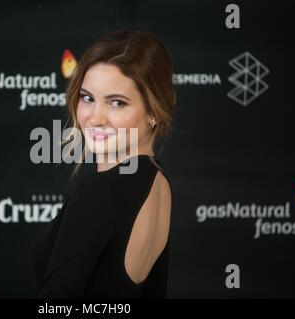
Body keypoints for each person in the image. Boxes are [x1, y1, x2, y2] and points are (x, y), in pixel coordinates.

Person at [30, 29, 176, 299]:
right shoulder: (159, 181)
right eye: (87, 98)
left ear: (153, 111)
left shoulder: (99, 190)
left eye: (117, 103)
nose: (95, 118)